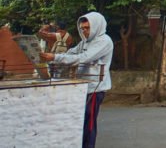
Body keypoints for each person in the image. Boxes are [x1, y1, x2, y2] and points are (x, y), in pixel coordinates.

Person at [40, 12, 113, 148]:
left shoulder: (104, 41)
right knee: (80, 120)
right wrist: (54, 57)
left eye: (87, 28)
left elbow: (84, 57)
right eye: (82, 28)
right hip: (83, 86)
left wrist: (55, 58)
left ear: (97, 26)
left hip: (95, 87)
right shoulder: (85, 41)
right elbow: (72, 53)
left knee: (89, 121)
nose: (84, 31)